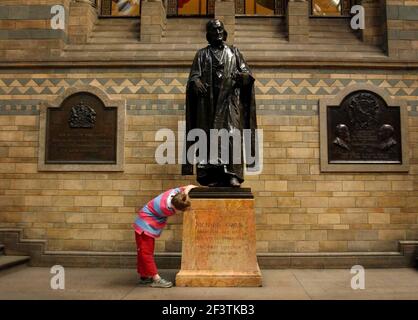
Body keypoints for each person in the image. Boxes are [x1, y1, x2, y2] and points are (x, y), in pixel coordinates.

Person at [182, 19, 258, 188]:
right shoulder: (201, 55)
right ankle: (213, 175)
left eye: (220, 30)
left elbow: (247, 74)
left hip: (229, 102)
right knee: (209, 138)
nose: (218, 33)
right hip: (208, 104)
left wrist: (243, 77)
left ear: (224, 33)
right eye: (214, 31)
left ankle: (232, 174)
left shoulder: (234, 52)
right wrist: (196, 82)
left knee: (232, 135)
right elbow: (193, 77)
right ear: (208, 35)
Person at [133, 184, 197, 288]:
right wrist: (187, 193)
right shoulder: (165, 208)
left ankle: (144, 277)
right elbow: (188, 188)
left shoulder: (175, 194)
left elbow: (190, 186)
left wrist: (187, 192)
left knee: (143, 251)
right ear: (175, 208)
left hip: (144, 222)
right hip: (144, 224)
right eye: (180, 211)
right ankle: (156, 279)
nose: (180, 213)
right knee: (146, 252)